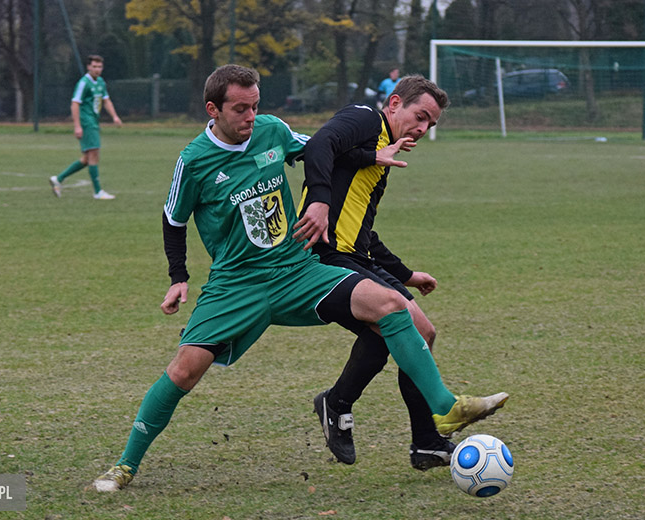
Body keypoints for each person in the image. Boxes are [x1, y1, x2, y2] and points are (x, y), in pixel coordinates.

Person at [92, 64, 507, 491]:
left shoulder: (272, 130)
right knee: (184, 372)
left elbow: (322, 151)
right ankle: (124, 465)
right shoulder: (194, 159)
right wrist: (178, 276)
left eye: (255, 106)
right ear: (213, 110)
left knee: (391, 304)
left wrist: (371, 157)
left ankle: (444, 408)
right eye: (240, 109)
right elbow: (173, 218)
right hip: (236, 285)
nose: (250, 117)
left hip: (296, 270)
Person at [301, 75, 468, 470]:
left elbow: (363, 230)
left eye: (430, 124)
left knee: (422, 333)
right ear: (394, 104)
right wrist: (319, 201)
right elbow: (318, 145)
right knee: (392, 324)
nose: (423, 128)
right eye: (420, 116)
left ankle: (425, 443)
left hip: (357, 256)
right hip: (327, 255)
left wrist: (406, 274)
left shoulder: (379, 153)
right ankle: (338, 404)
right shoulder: (364, 118)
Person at [49, 55, 122, 200]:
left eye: (99, 67)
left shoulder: (100, 82)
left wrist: (115, 116)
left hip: (94, 121)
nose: (97, 69)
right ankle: (98, 192)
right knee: (94, 154)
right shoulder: (84, 83)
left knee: (87, 158)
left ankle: (59, 179)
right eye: (94, 66)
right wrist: (77, 126)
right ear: (88, 67)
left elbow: (106, 100)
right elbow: (75, 104)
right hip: (86, 123)